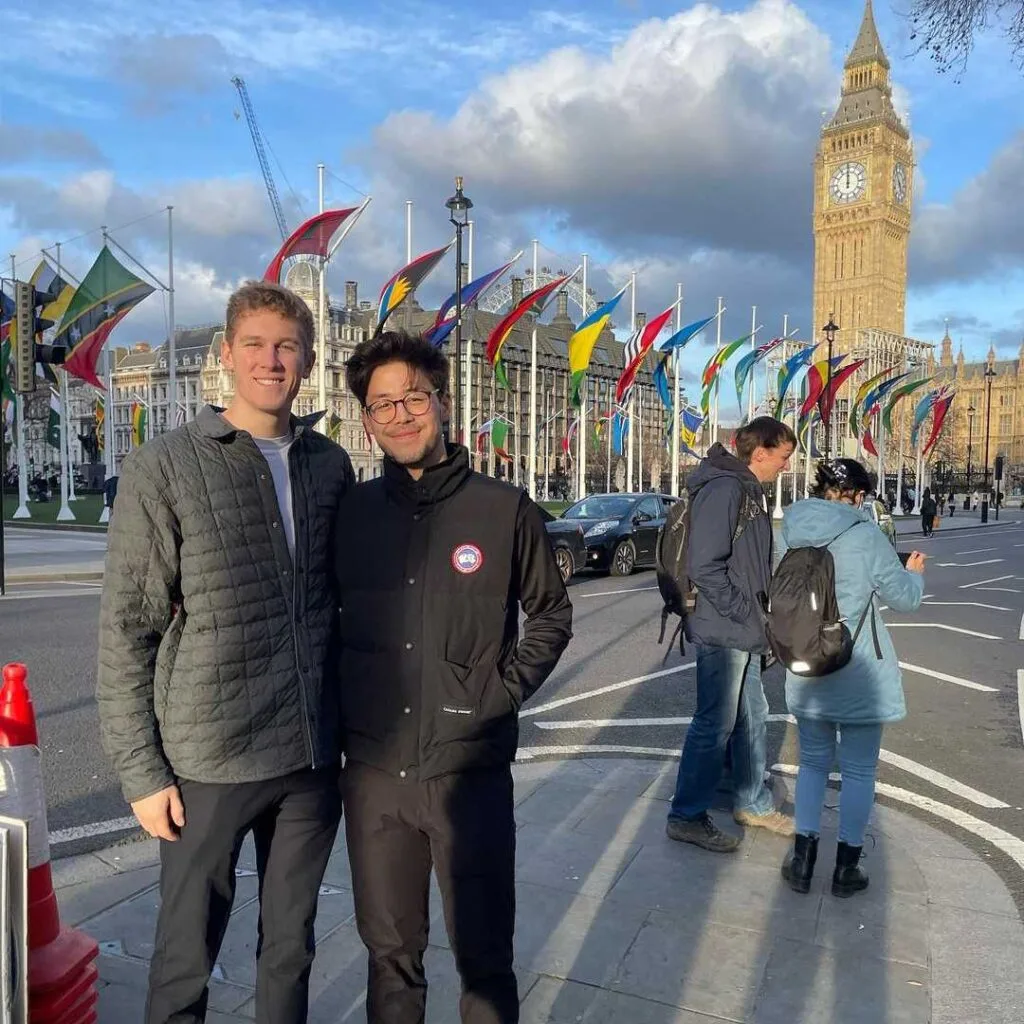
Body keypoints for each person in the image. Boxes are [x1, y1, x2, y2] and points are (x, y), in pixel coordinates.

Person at [97, 281, 355, 1024]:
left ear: (307, 361)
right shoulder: (166, 466)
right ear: (227, 356)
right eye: (255, 345)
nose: (270, 361)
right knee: (185, 957)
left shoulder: (329, 466)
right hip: (208, 759)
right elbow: (127, 627)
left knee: (290, 948)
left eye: (286, 347)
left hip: (308, 757)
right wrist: (143, 774)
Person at [334, 331, 573, 1024]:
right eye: (382, 405)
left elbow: (550, 614)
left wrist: (499, 695)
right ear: (367, 420)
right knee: (390, 956)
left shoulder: (503, 509)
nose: (401, 415)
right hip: (376, 774)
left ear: (441, 401)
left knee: (484, 956)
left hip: (468, 772)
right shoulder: (350, 513)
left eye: (413, 397)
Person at [778, 459, 924, 898]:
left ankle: (802, 862)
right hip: (856, 670)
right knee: (858, 771)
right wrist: (914, 574)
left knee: (813, 764)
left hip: (806, 666)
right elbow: (904, 600)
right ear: (858, 496)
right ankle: (846, 868)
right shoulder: (866, 535)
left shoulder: (790, 529)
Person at [666, 416, 797, 853]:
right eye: (783, 457)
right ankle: (686, 815)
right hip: (725, 629)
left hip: (741, 628)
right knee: (714, 724)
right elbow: (707, 567)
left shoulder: (744, 489)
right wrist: (749, 614)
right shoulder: (726, 489)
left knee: (753, 716)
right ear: (760, 453)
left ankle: (751, 802)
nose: (786, 466)